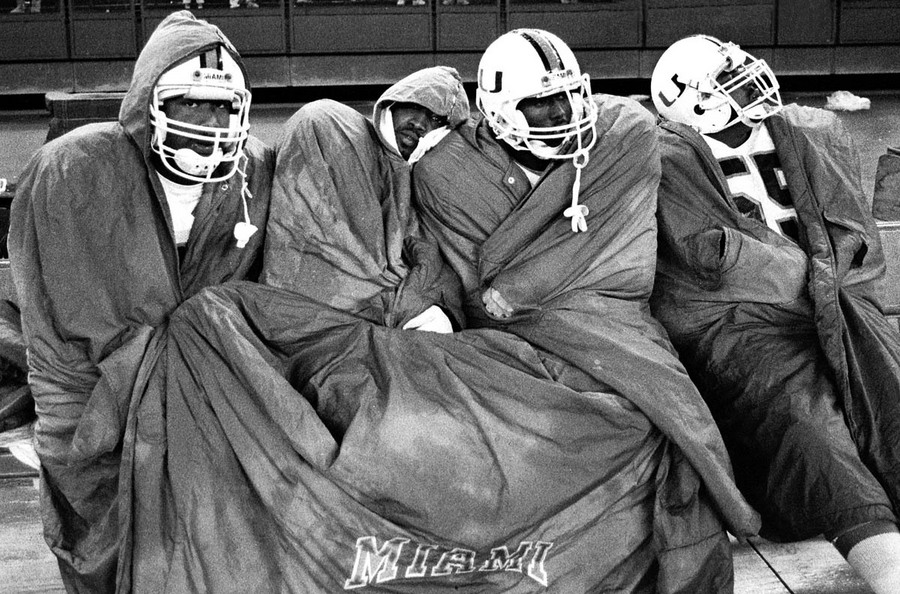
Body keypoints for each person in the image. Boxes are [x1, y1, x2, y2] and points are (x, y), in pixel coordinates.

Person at [413, 28, 760, 591]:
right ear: (495, 110)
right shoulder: (445, 169)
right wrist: (435, 305)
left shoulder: (622, 131)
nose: (561, 113)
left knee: (648, 433)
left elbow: (614, 263)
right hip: (513, 340)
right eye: (540, 104)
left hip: (616, 326)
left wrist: (521, 282)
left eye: (569, 97)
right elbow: (454, 270)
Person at [8, 10, 272, 593]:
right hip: (92, 397)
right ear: (152, 99)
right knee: (103, 551)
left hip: (187, 397)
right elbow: (88, 320)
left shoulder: (249, 175)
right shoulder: (76, 167)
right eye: (192, 104)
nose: (211, 121)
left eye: (224, 107)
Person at [649, 34, 900, 594]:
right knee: (804, 421)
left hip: (835, 305)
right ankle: (889, 567)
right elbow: (708, 262)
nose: (752, 87)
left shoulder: (804, 135)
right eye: (730, 83)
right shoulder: (663, 159)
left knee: (890, 393)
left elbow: (854, 237)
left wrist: (831, 291)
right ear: (694, 102)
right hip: (737, 321)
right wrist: (813, 280)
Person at [262, 65, 468, 331]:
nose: (420, 123)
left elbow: (426, 251)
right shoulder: (335, 128)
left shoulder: (422, 179)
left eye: (436, 120)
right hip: (318, 308)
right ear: (394, 103)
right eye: (415, 106)